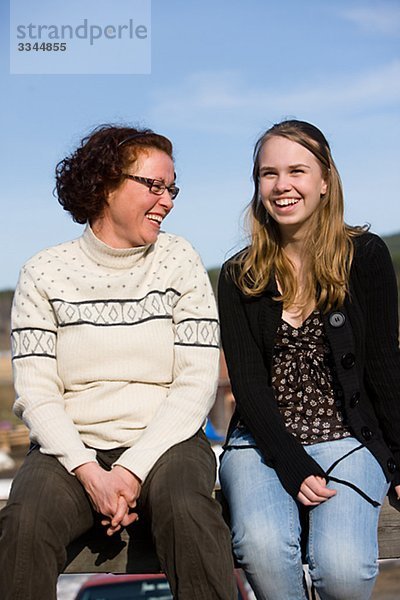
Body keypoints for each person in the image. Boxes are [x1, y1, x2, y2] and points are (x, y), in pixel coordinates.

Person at [0, 125, 236, 600]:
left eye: (172, 188)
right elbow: (38, 394)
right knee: (23, 524)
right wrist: (89, 471)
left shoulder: (179, 259)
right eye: (154, 185)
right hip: (69, 452)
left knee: (189, 512)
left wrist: (129, 472)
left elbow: (195, 383)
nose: (167, 200)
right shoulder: (42, 273)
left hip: (166, 443)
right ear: (106, 184)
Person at [218, 119, 400, 600]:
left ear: (325, 181)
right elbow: (249, 385)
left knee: (343, 570)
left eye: (297, 171)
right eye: (268, 174)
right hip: (260, 444)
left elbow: (385, 368)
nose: (282, 186)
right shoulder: (240, 274)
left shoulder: (366, 256)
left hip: (347, 439)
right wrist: (293, 463)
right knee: (262, 546)